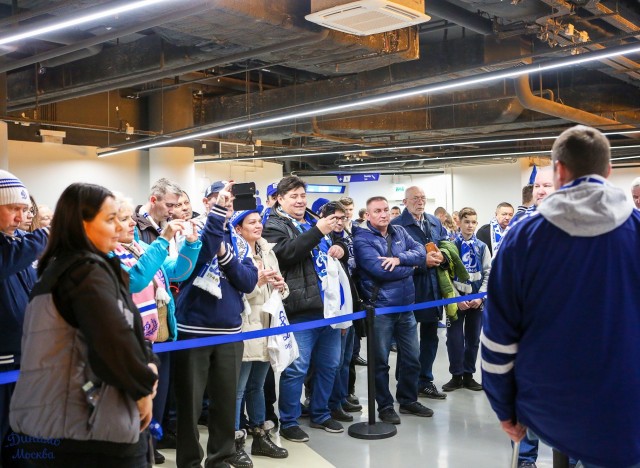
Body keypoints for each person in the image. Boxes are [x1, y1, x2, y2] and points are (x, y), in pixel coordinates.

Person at [482, 125, 640, 468]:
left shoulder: (522, 238)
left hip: (549, 410)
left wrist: (505, 408)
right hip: (626, 409)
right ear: (608, 170)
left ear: (559, 170)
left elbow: (498, 338)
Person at [8, 183, 159, 467]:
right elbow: (113, 342)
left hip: (71, 426)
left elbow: (126, 330)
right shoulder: (85, 273)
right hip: (88, 430)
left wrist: (149, 364)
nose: (119, 227)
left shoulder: (74, 267)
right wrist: (142, 389)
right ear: (82, 224)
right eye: (110, 219)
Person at [173, 181, 258, 468]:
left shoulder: (237, 239)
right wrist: (218, 215)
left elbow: (248, 281)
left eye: (231, 199)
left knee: (224, 403)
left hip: (230, 332)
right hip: (194, 331)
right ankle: (188, 461)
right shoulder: (192, 229)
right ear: (207, 200)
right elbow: (202, 255)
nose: (228, 202)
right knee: (190, 404)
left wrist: (227, 256)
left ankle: (221, 456)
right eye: (221, 198)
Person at [112, 194, 201, 465]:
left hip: (157, 339)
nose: (131, 224)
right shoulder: (105, 253)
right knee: (131, 418)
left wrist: (191, 244)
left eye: (131, 218)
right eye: (124, 219)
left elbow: (177, 272)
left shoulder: (139, 246)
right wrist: (162, 240)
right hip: (127, 346)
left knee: (154, 410)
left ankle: (147, 455)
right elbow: (136, 279)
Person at [262, 175, 346, 443]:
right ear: (280, 199)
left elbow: (326, 249)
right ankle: (288, 420)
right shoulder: (273, 225)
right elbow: (286, 254)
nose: (299, 201)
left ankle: (320, 412)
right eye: (293, 196)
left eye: (302, 195)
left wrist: (338, 246)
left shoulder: (312, 221)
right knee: (296, 368)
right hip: (301, 308)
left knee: (329, 365)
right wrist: (318, 231)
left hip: (330, 307)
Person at [354, 196, 433, 424]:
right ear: (367, 215)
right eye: (377, 211)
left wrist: (399, 259)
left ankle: (408, 400)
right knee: (380, 362)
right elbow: (380, 270)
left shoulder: (399, 231)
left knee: (412, 358)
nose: (384, 214)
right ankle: (385, 406)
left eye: (386, 210)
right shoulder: (362, 239)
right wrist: (412, 266)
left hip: (406, 307)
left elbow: (421, 253)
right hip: (380, 310)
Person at [230, 209, 289, 463]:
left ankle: (260, 437)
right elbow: (238, 292)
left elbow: (279, 290)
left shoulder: (267, 251)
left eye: (258, 221)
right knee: (238, 389)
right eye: (250, 222)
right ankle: (233, 442)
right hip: (245, 326)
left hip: (267, 326)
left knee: (258, 386)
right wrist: (259, 283)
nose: (258, 226)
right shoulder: (234, 255)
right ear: (238, 229)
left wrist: (281, 287)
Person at [0, 170, 49, 464]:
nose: (20, 218)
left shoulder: (19, 243)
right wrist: (45, 237)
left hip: (27, 363)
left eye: (25, 210)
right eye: (13, 209)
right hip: (3, 367)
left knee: (26, 449)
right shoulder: (22, 247)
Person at [391, 186, 448, 400]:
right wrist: (422, 263)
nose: (420, 202)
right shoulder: (396, 225)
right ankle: (406, 382)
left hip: (433, 288)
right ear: (405, 202)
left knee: (430, 338)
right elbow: (396, 258)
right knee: (407, 340)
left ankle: (425, 380)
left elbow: (445, 245)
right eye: (415, 198)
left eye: (423, 198)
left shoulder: (434, 221)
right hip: (408, 288)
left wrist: (444, 257)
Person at [441, 207, 490, 392]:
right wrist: (456, 298)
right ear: (459, 222)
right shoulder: (450, 245)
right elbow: (445, 275)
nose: (470, 225)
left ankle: (469, 374)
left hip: (476, 301)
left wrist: (480, 297)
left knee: (473, 338)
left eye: (473, 222)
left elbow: (488, 272)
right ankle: (456, 375)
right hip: (456, 300)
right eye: (467, 221)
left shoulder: (482, 247)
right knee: (454, 338)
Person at [134, 178, 183, 244]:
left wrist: (190, 243)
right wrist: (164, 239)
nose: (172, 211)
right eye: (169, 205)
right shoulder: (133, 226)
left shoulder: (172, 223)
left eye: (175, 206)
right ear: (153, 200)